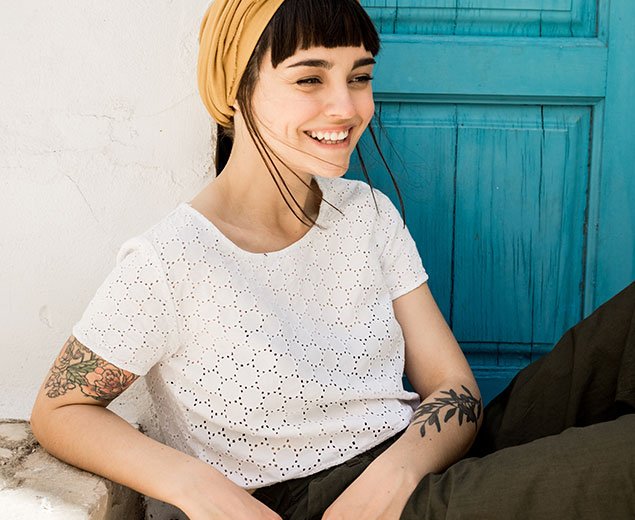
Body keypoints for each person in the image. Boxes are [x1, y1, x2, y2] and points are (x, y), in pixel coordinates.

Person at [30, 1, 635, 519]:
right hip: (315, 503)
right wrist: (196, 486)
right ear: (234, 88)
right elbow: (61, 409)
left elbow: (454, 388)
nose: (345, 108)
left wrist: (396, 474)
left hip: (413, 465)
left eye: (359, 76)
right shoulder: (172, 259)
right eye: (309, 79)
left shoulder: (365, 213)